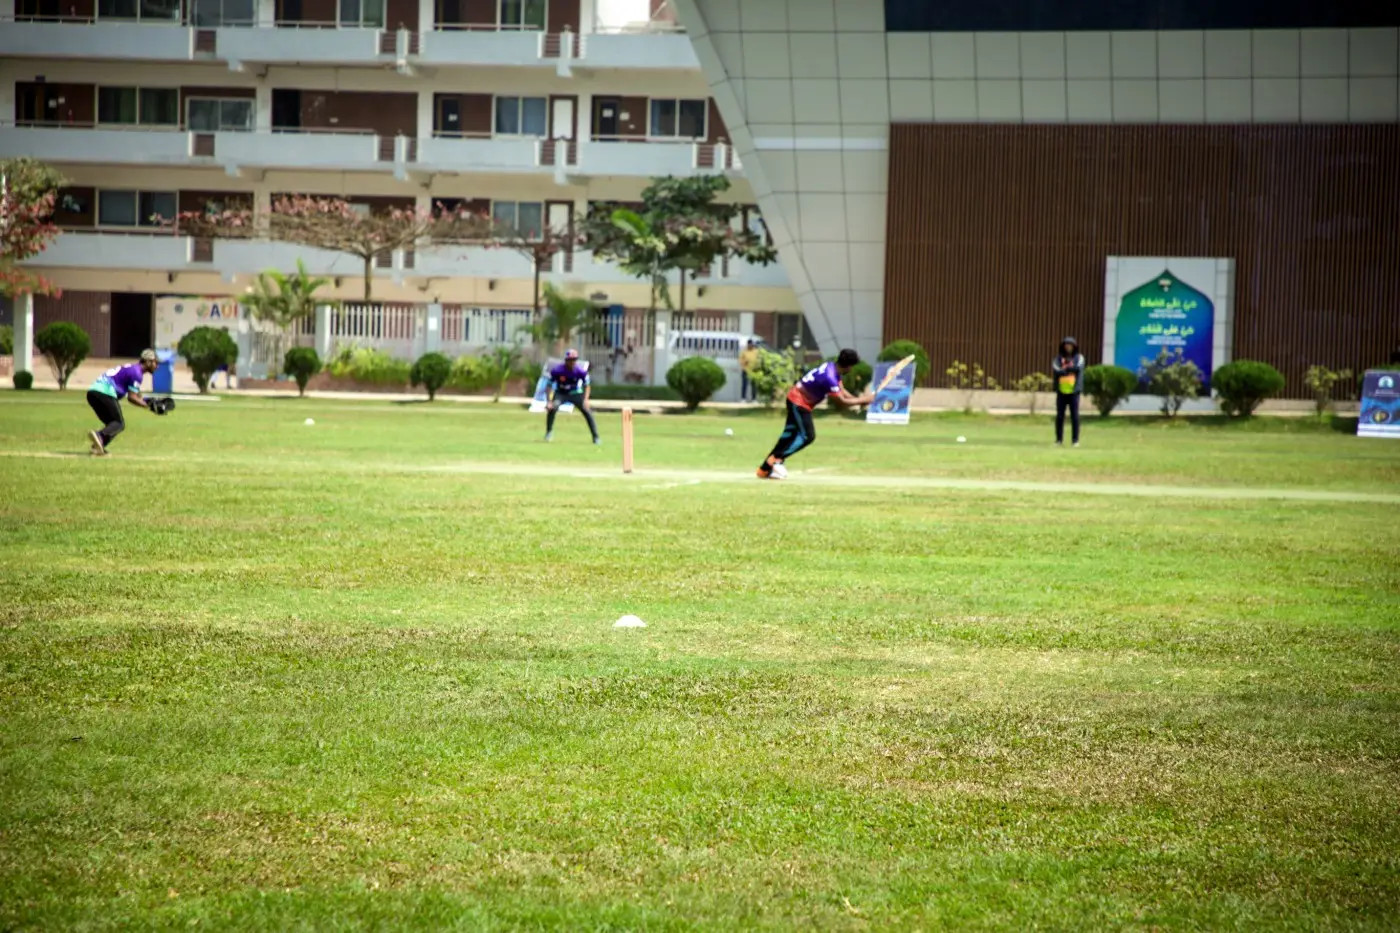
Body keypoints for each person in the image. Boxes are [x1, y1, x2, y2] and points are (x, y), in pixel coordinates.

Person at [757, 348, 873, 480]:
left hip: (796, 399)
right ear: (849, 366)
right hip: (799, 402)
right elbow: (842, 402)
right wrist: (864, 400)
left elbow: (842, 391)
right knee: (807, 436)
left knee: (788, 436)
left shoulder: (832, 367)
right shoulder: (830, 377)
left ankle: (764, 470)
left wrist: (860, 401)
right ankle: (776, 460)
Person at [87, 349, 159, 456]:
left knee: (113, 424)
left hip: (93, 393)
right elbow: (132, 397)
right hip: (104, 392)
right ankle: (99, 436)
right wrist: (149, 407)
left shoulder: (133, 369)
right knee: (119, 423)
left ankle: (98, 447)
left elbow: (138, 395)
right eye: (155, 362)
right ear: (148, 362)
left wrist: (149, 402)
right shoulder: (137, 373)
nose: (157, 366)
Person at [545, 348, 600, 445]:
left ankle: (596, 437)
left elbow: (587, 385)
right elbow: (549, 385)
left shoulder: (580, 371)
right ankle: (549, 432)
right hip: (561, 393)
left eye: (574, 360)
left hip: (575, 393)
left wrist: (586, 399)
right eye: (570, 360)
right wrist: (549, 401)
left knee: (587, 411)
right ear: (566, 360)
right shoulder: (558, 370)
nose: (572, 362)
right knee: (553, 407)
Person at [1052, 336, 1085, 447]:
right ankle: (1059, 440)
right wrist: (1066, 370)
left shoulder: (1079, 357)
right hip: (1061, 392)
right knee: (1060, 416)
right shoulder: (1058, 358)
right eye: (1066, 345)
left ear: (1074, 346)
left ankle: (1075, 440)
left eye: (1070, 345)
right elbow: (1056, 369)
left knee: (1074, 416)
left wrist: (1066, 369)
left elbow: (1078, 368)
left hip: (1074, 392)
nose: (1068, 347)